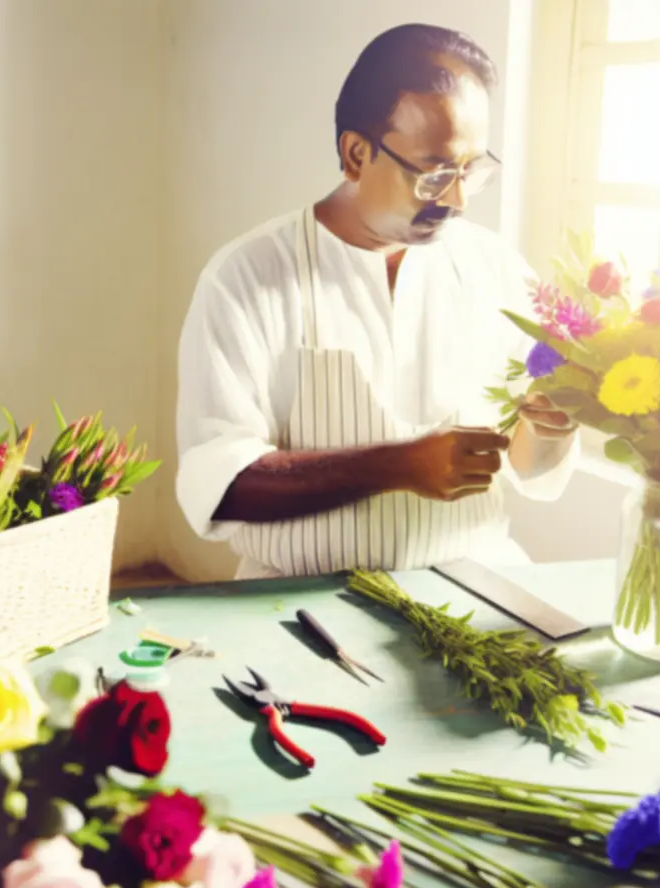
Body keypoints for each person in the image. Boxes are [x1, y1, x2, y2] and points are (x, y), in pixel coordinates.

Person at [175, 23, 579, 580]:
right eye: (436, 174)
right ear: (357, 154)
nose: (458, 199)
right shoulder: (245, 276)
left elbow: (529, 468)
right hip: (294, 600)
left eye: (471, 170)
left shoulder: (497, 270)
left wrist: (554, 427)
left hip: (477, 588)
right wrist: (401, 465)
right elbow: (221, 486)